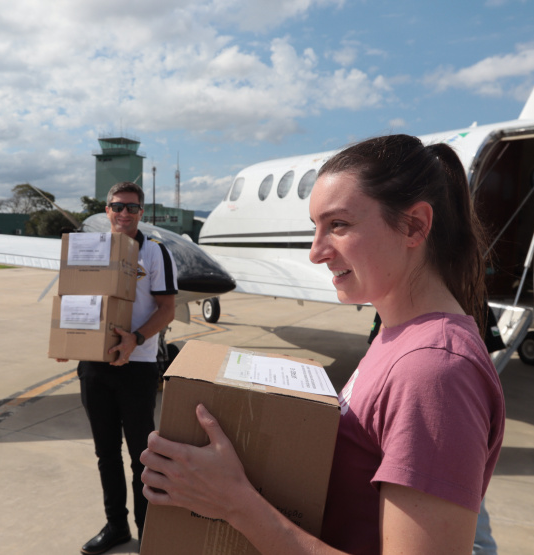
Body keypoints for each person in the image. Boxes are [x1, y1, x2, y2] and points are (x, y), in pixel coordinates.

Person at [140, 134, 505, 554]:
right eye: (316, 227)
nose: (315, 252)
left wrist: (235, 503)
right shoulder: (398, 335)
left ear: (414, 225)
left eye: (338, 225)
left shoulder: (433, 370)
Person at [73, 181, 178, 555]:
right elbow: (76, 297)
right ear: (107, 210)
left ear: (141, 213)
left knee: (141, 457)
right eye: (117, 206)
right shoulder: (92, 250)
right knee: (106, 453)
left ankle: (148, 531)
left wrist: (136, 338)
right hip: (95, 365)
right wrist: (70, 339)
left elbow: (168, 309)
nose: (124, 213)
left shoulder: (155, 253)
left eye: (132, 207)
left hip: (138, 366)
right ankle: (116, 525)